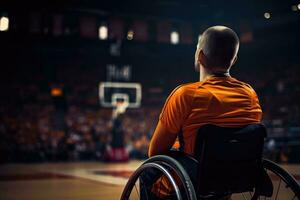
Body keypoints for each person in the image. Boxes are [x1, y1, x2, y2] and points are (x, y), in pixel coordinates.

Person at [147, 26, 262, 198]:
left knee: (148, 171)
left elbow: (154, 153)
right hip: (232, 180)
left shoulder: (185, 95)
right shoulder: (250, 94)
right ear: (234, 60)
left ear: (200, 56)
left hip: (192, 183)